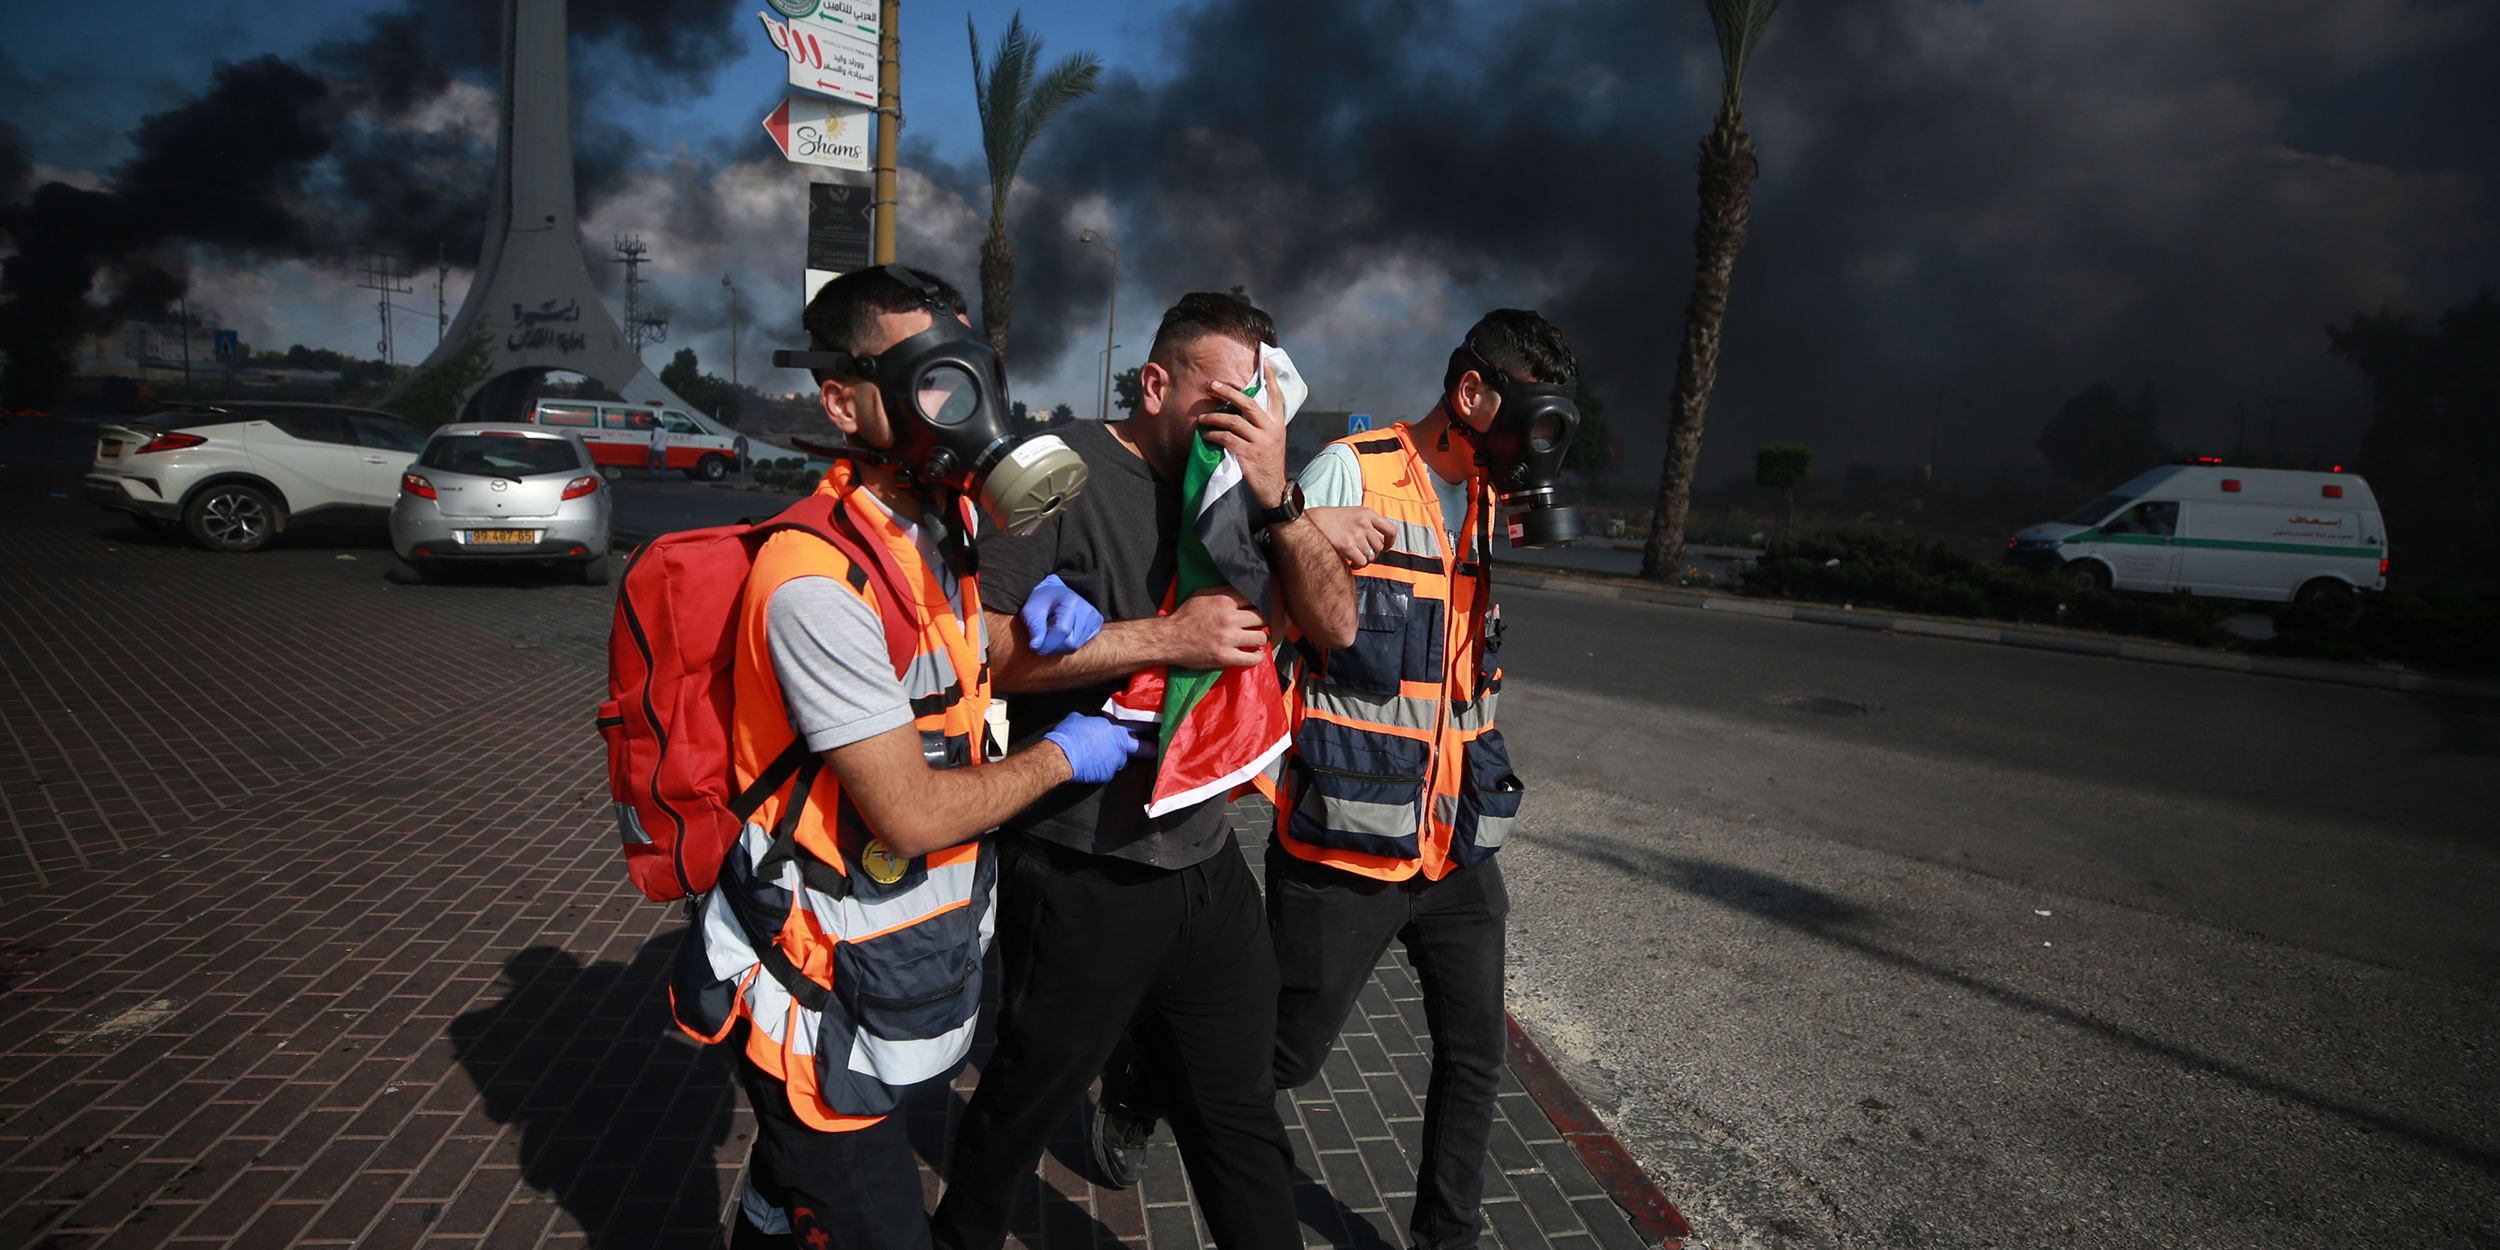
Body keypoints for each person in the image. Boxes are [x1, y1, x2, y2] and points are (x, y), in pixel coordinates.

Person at [667, 265, 1150, 1250]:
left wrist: (1041, 639)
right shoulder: (814, 582)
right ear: (844, 399)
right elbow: (913, 812)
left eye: (974, 376)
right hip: (812, 1000)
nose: (964, 409)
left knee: (783, 1197)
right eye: (936, 380)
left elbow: (959, 671)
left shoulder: (937, 532)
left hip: (895, 968)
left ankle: (770, 1211)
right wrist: (1065, 754)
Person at [929, 293, 1357, 1250]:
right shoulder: (1060, 470)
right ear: (1155, 383)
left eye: (1256, 399)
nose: (1239, 419)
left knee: (1240, 1120)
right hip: (1085, 866)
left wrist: (1285, 498)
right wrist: (1160, 637)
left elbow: (1337, 627)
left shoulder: (1248, 485)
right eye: (1219, 397)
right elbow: (984, 649)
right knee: (1018, 1115)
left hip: (1206, 865)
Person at [1268, 309, 1579, 1250]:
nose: (1536, 445)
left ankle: (1447, 1238)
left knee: (1477, 1054)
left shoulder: (1488, 499)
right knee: (1286, 1053)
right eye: (1531, 418)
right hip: (1347, 838)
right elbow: (1268, 624)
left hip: (1456, 843)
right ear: (1474, 394)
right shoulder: (1350, 472)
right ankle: (1142, 1077)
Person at [647, 410, 671, 475]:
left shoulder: (656, 429)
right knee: (662, 464)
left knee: (650, 462)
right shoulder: (665, 429)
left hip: (656, 449)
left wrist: (649, 447)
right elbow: (666, 439)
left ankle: (651, 476)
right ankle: (663, 476)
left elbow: (655, 440)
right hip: (663, 450)